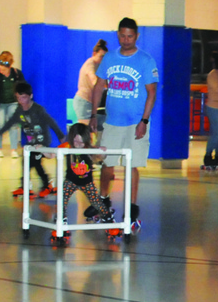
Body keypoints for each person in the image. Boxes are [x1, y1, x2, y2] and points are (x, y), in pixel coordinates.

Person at [90, 17, 158, 230]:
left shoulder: (146, 60)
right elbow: (99, 86)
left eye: (130, 36)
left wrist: (144, 121)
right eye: (122, 35)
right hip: (112, 121)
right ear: (118, 35)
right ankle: (103, 200)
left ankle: (131, 206)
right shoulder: (109, 58)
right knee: (107, 164)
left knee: (132, 164)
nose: (126, 40)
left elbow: (152, 92)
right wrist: (93, 114)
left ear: (136, 36)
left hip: (135, 122)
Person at [0, 81, 65, 197]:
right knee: (27, 162)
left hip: (42, 142)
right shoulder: (19, 110)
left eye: (24, 98)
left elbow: (51, 122)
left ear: (30, 96)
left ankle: (46, 185)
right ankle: (28, 186)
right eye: (18, 98)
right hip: (31, 142)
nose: (21, 101)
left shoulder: (38, 110)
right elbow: (10, 122)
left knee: (33, 162)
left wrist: (61, 135)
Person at [60, 123, 114, 224]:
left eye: (81, 142)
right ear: (71, 139)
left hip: (87, 182)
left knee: (96, 201)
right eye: (76, 141)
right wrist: (41, 149)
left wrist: (102, 151)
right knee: (62, 198)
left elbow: (101, 157)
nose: (78, 145)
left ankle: (107, 217)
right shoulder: (68, 147)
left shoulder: (89, 149)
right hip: (70, 180)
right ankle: (61, 217)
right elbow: (51, 153)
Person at [0, 51, 26, 158]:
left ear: (9, 66)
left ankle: (13, 150)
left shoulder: (17, 74)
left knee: (13, 125)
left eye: (3, 68)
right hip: (0, 104)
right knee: (0, 125)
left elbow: (23, 87)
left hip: (13, 103)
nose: (0, 69)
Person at [73, 40, 108, 125]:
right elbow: (93, 80)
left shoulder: (100, 65)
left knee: (95, 130)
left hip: (92, 103)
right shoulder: (90, 64)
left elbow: (106, 82)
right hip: (83, 102)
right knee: (86, 132)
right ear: (94, 54)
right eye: (101, 56)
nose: (103, 59)